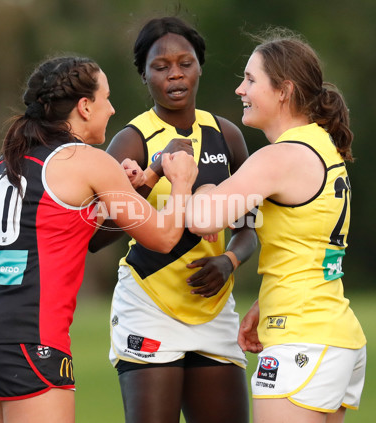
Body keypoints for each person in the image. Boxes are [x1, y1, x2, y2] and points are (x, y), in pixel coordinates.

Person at [0, 55, 197, 423]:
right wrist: (180, 180)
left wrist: (137, 183)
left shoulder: (10, 159)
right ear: (84, 106)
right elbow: (162, 237)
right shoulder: (85, 158)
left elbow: (61, 231)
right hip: (30, 338)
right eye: (106, 99)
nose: (112, 109)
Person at [185, 28, 367, 423]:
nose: (240, 90)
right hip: (334, 336)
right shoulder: (321, 144)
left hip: (301, 340)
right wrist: (264, 305)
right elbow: (307, 250)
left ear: (283, 91)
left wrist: (187, 180)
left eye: (250, 80)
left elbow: (203, 219)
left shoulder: (281, 156)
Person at [88, 16, 257, 423]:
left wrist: (228, 261)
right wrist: (148, 181)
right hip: (149, 304)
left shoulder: (227, 135)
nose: (175, 74)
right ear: (144, 75)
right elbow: (93, 237)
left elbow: (250, 229)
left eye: (185, 63)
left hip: (214, 310)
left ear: (200, 66)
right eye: (161, 67)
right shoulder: (132, 140)